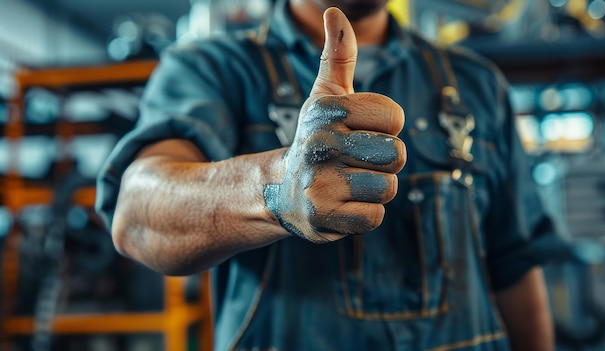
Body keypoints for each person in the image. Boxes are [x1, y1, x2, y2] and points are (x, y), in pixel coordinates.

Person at [96, 0, 561, 350]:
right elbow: (136, 215)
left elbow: (514, 263)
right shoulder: (211, 69)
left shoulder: (477, 84)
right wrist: (277, 187)